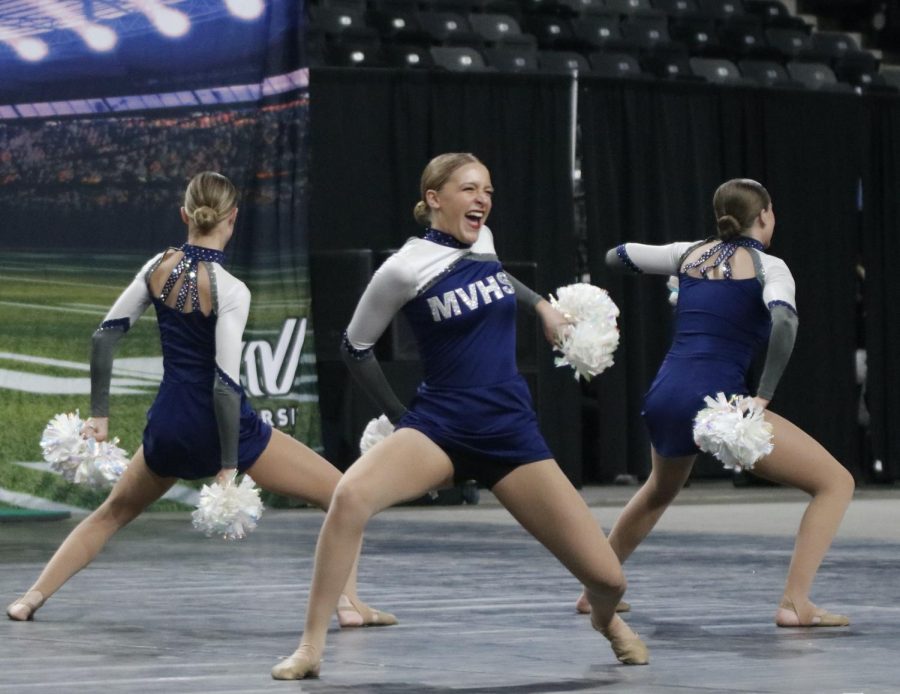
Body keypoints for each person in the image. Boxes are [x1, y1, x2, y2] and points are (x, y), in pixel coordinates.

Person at [270, 153, 648, 680]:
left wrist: (540, 306)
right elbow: (355, 346)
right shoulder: (403, 268)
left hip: (510, 432)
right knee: (349, 497)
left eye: (488, 190)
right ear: (434, 199)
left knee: (610, 581)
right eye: (470, 189)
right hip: (440, 427)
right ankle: (310, 647)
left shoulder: (484, 241)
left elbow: (497, 277)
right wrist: (400, 418)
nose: (483, 200)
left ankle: (606, 622)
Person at [7, 171, 395, 629]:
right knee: (343, 496)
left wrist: (99, 417)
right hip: (224, 427)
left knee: (110, 514)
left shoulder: (158, 267)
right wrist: (230, 465)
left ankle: (30, 598)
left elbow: (103, 339)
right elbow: (225, 385)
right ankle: (348, 605)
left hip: (169, 427)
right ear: (233, 218)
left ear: (184, 214)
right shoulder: (230, 289)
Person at [575, 178, 855, 627]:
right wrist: (764, 394)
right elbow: (784, 322)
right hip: (715, 404)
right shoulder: (770, 267)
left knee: (659, 490)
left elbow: (617, 256)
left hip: (666, 394)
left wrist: (675, 273)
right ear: (764, 215)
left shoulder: (688, 253)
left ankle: (595, 588)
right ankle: (795, 603)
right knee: (836, 483)